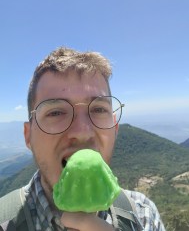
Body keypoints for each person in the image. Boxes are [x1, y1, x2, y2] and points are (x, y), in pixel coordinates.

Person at [0, 47, 166, 231]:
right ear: (28, 136)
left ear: (115, 129)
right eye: (56, 112)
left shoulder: (143, 216)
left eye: (98, 109)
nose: (82, 132)